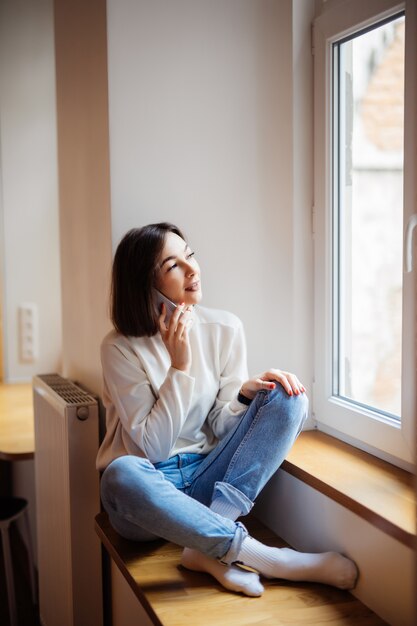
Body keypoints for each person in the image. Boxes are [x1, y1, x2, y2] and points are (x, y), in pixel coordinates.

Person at [97, 222, 358, 597]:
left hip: (208, 479)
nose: (192, 270)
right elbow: (151, 449)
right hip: (148, 500)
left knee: (289, 396)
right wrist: (179, 367)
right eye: (173, 266)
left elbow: (220, 426)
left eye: (190, 255)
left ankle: (207, 545)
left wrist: (243, 397)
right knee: (120, 473)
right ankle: (268, 558)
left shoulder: (224, 328)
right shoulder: (119, 348)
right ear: (144, 283)